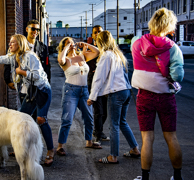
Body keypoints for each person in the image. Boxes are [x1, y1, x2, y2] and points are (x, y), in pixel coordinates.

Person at [131, 8, 185, 180]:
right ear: (170, 25)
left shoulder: (136, 44)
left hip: (144, 95)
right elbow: (177, 75)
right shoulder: (173, 48)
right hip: (166, 97)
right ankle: (178, 179)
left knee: (147, 139)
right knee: (171, 137)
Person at [0, 34, 55, 166]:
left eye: (13, 43)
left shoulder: (30, 56)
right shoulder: (13, 57)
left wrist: (21, 72)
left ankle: (50, 150)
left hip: (42, 90)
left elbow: (37, 76)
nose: (10, 45)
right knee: (21, 118)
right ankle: (23, 147)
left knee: (41, 119)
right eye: (9, 42)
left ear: (20, 44)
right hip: (30, 92)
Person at [87, 31, 140, 164]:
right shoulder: (118, 54)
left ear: (100, 42)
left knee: (114, 125)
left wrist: (92, 96)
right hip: (126, 91)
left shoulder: (106, 56)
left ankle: (113, 156)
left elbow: (98, 78)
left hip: (116, 93)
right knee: (122, 122)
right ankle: (134, 149)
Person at [56, 37, 102, 156]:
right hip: (70, 91)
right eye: (68, 43)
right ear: (64, 46)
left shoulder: (82, 56)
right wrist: (67, 47)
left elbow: (97, 52)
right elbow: (60, 59)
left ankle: (89, 142)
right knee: (67, 119)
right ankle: (60, 146)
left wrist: (85, 44)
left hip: (84, 91)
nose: (72, 44)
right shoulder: (65, 59)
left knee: (89, 117)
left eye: (73, 42)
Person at [87, 25, 109, 143]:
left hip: (105, 82)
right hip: (93, 81)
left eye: (99, 32)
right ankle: (98, 136)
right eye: (95, 32)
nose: (97, 34)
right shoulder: (91, 49)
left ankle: (98, 131)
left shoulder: (106, 50)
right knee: (98, 111)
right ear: (92, 35)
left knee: (104, 113)